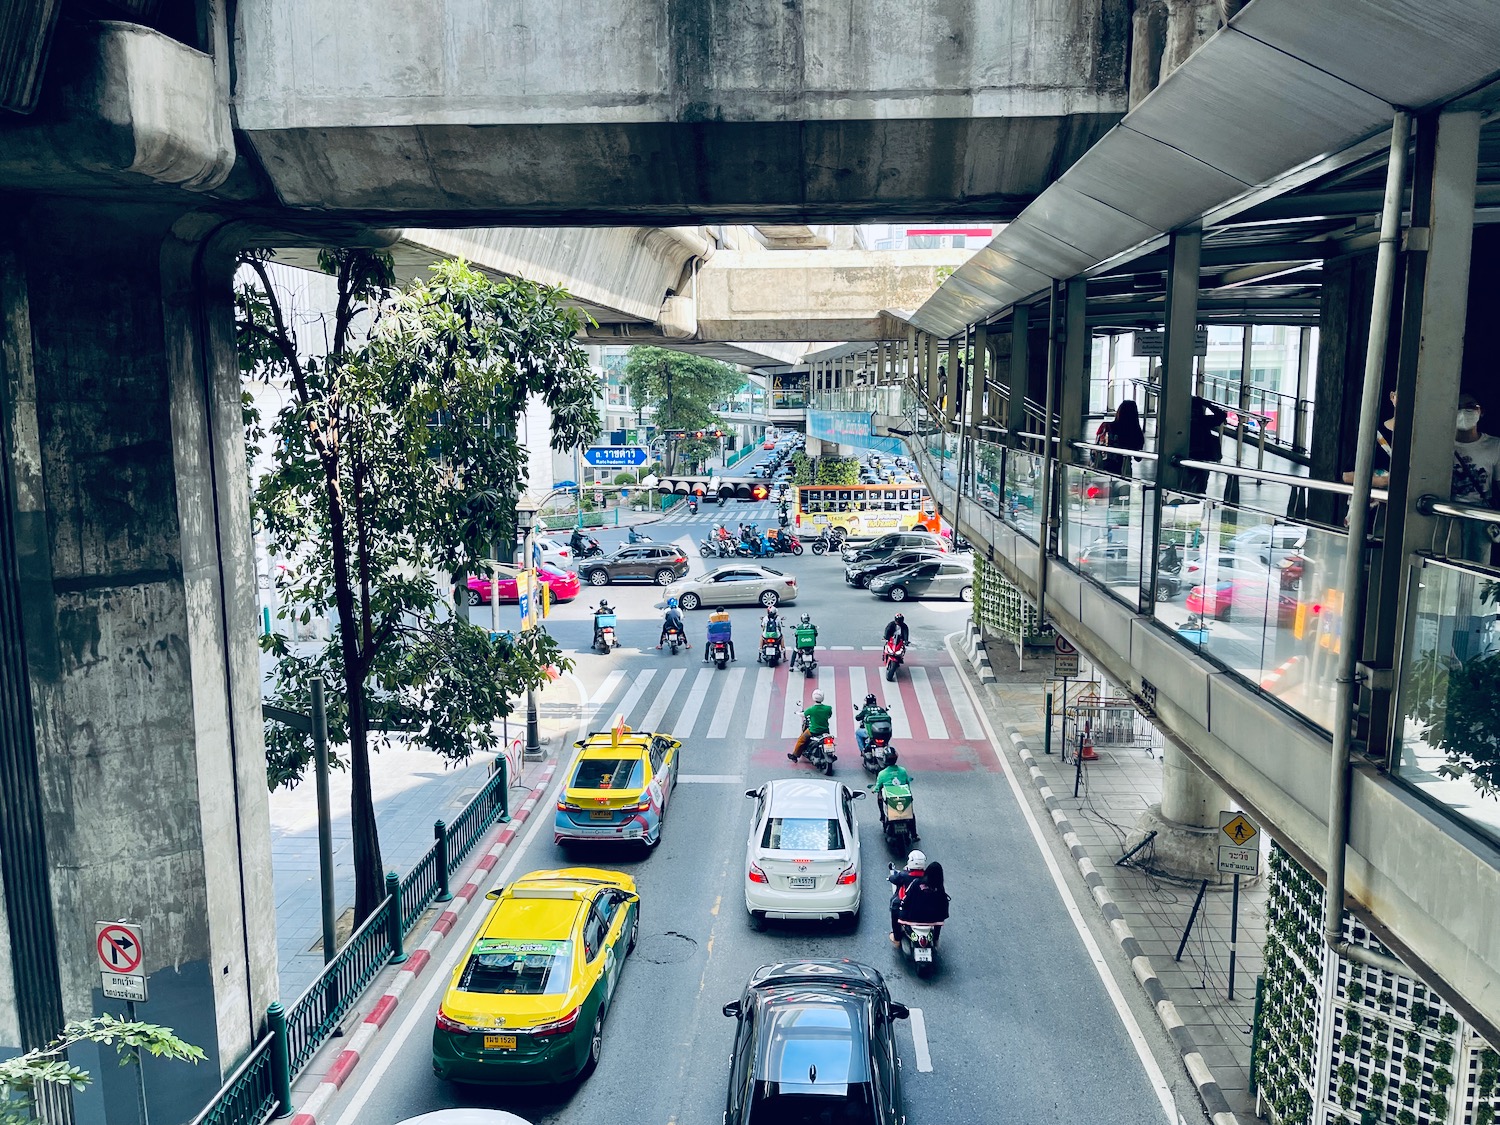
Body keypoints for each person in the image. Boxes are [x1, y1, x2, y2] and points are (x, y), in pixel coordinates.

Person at [1452, 390, 1500, 563]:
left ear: (1481, 411)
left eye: (1470, 406)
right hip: (1446, 515)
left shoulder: (1494, 446)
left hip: (1480, 519)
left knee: (1476, 568)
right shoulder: (1440, 443)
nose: (1464, 411)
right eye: (1457, 407)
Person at [1182, 396, 1227, 494]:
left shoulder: (1182, 422)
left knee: (1187, 484)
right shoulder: (1203, 421)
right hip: (1202, 455)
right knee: (1200, 484)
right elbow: (1221, 415)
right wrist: (1206, 404)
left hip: (1188, 454)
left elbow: (1222, 416)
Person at [897, 861, 949, 945]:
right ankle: (936, 939)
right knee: (938, 924)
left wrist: (902, 906)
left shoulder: (916, 883)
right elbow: (944, 906)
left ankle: (897, 937)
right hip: (933, 920)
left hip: (912, 918)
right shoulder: (940, 889)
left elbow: (907, 899)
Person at [871, 749, 917, 841]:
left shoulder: (882, 774)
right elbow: (907, 782)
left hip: (890, 801)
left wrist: (874, 790)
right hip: (904, 799)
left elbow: (877, 787)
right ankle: (914, 835)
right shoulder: (902, 771)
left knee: (879, 797)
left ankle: (882, 816)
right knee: (911, 814)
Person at [1096, 399, 1145, 476]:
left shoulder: (1106, 426)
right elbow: (1138, 458)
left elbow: (1096, 445)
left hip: (1103, 467)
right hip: (1123, 469)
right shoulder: (1135, 433)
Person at [888, 850, 927, 944]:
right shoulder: (927, 876)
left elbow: (894, 879)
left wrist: (890, 877)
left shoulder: (904, 875)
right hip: (925, 908)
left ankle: (896, 937)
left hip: (908, 909)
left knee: (894, 905)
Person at [789, 688, 833, 761]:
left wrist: (797, 713)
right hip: (825, 731)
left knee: (801, 740)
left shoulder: (811, 709)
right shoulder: (828, 708)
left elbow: (803, 714)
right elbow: (829, 716)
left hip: (813, 731)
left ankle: (795, 755)